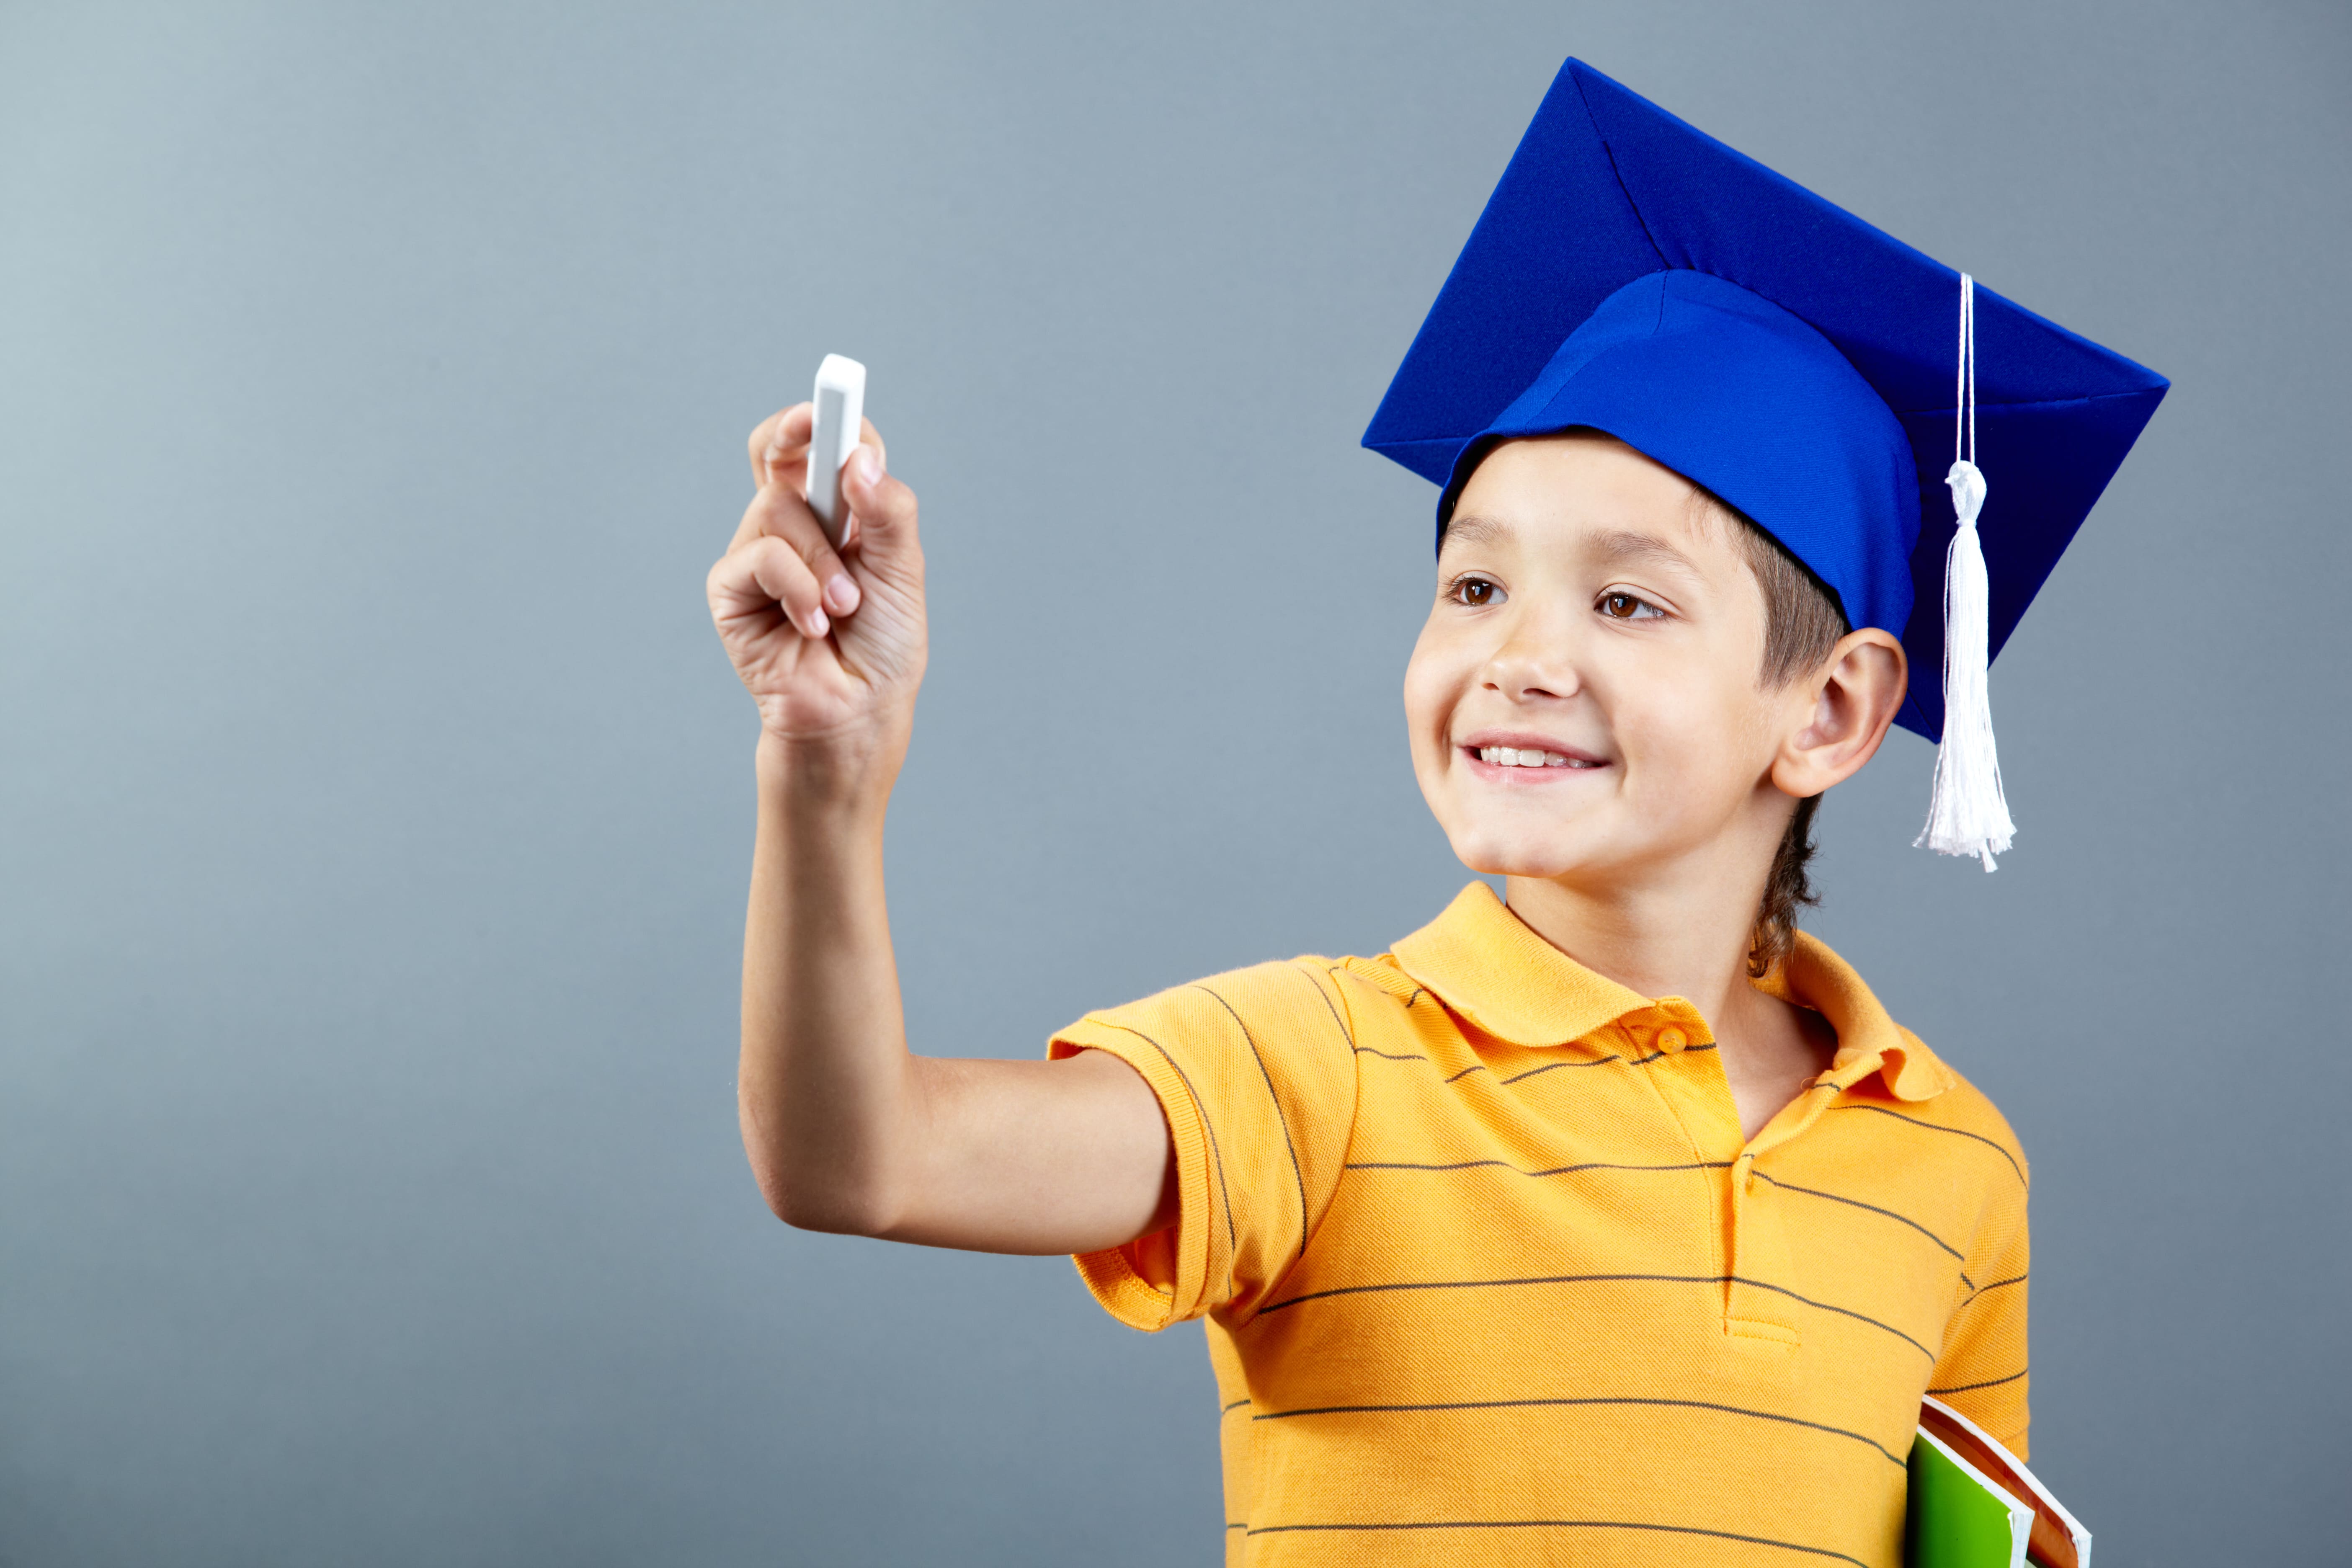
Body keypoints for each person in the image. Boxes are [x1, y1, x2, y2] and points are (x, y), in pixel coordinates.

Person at [705, 59, 2164, 1568]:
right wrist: (825, 770)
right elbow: (858, 1160)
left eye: (1625, 599)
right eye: (1474, 584)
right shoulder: (1314, 1070)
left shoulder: (1949, 1161)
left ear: (1834, 711)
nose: (1520, 657)